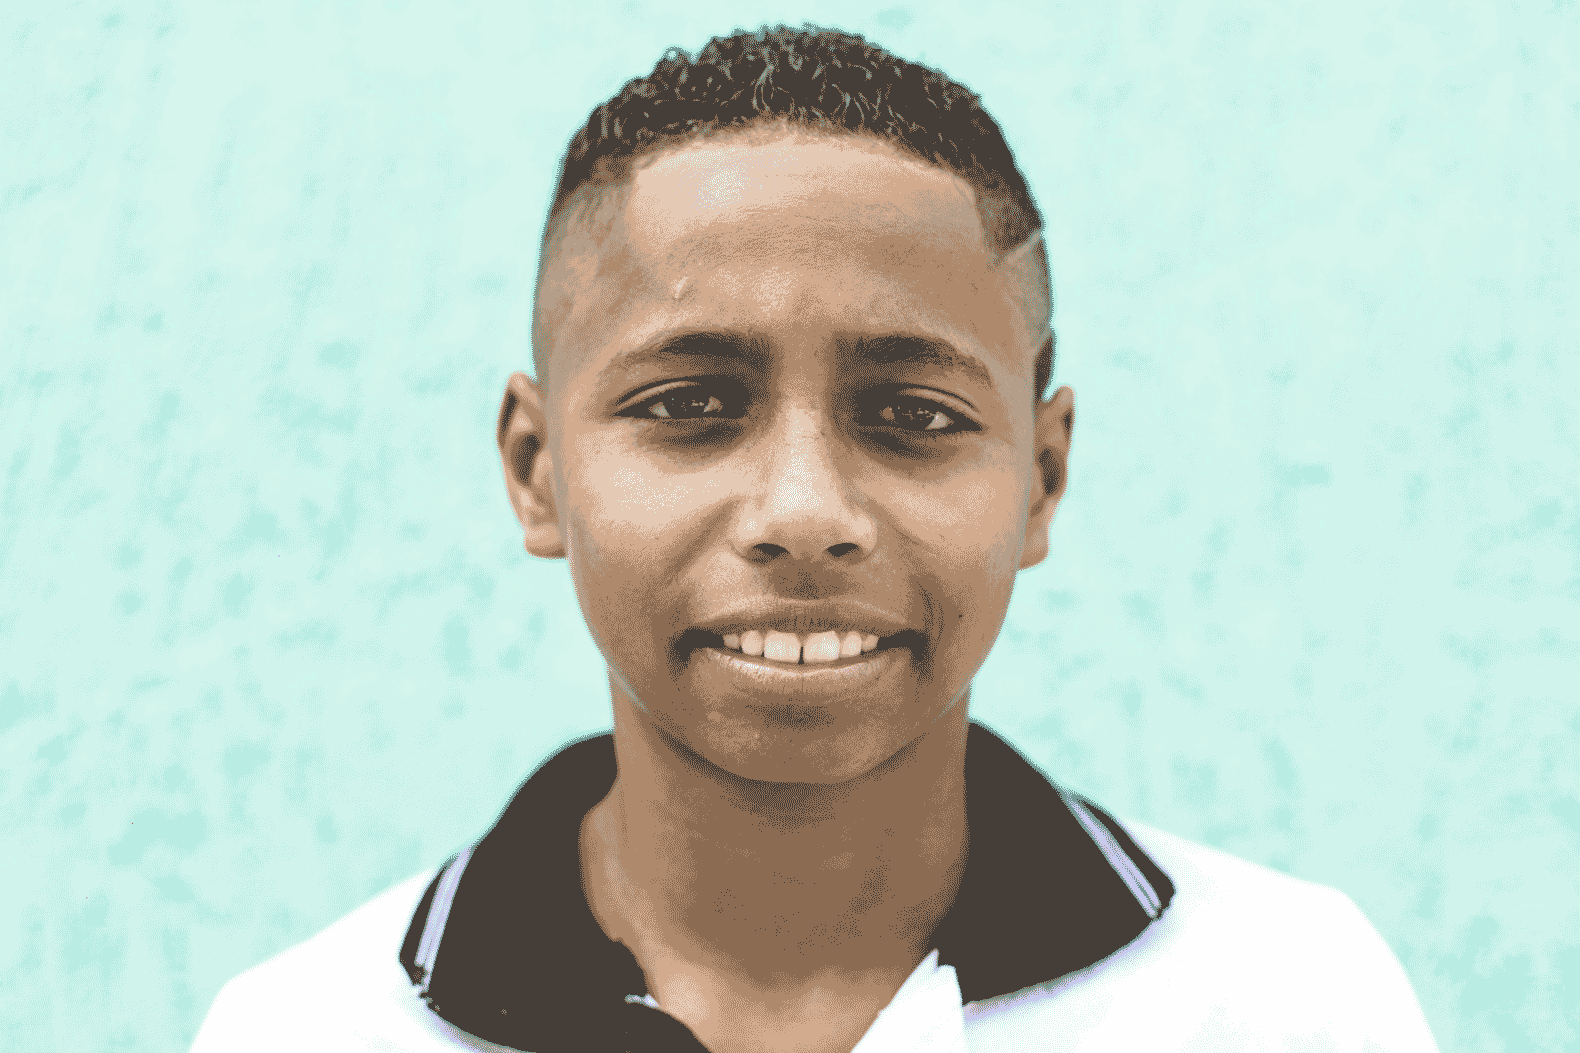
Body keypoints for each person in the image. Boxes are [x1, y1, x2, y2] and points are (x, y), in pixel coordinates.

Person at [191, 24, 1440, 1053]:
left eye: (913, 415)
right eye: (688, 405)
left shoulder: (1281, 1003)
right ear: (536, 471)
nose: (802, 514)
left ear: (1041, 479)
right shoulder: (309, 1032)